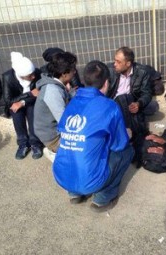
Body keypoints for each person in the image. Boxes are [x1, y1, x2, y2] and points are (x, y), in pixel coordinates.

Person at [53, 60, 134, 211]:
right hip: (89, 181)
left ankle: (74, 193)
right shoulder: (109, 106)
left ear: (84, 80)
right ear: (106, 83)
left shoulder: (72, 102)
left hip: (61, 176)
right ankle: (103, 197)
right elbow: (119, 144)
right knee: (127, 151)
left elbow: (65, 131)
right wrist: (127, 134)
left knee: (80, 147)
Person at [107, 46, 154, 166]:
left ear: (128, 64)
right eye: (114, 60)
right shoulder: (111, 72)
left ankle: (131, 136)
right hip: (114, 104)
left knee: (151, 106)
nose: (114, 64)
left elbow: (147, 93)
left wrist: (139, 103)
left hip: (131, 102)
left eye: (118, 61)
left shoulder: (142, 72)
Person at [33, 52, 76, 161]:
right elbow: (64, 122)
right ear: (64, 74)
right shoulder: (53, 91)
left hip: (53, 130)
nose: (75, 72)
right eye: (73, 70)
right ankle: (53, 151)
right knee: (85, 143)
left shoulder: (55, 85)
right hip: (53, 137)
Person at [3, 52, 44, 160]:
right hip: (16, 104)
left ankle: (35, 143)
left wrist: (22, 102)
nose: (33, 76)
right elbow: (8, 100)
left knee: (32, 112)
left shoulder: (37, 73)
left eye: (33, 73)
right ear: (21, 75)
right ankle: (23, 144)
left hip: (31, 103)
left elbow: (39, 93)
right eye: (29, 75)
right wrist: (29, 94)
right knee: (16, 112)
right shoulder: (8, 77)